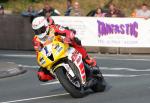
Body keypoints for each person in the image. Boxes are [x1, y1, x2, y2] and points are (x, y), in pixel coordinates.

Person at [32, 16, 99, 82]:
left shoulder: (53, 28)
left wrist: (68, 38)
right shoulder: (36, 40)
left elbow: (68, 32)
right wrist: (40, 58)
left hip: (63, 47)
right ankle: (58, 75)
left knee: (75, 40)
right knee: (41, 75)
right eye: (37, 31)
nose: (39, 33)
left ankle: (87, 59)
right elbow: (39, 53)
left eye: (41, 30)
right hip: (51, 57)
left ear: (46, 25)